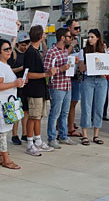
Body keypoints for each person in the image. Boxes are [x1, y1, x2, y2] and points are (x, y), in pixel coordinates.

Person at [0, 39, 25, 169]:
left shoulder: (4, 65)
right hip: (0, 104)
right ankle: (5, 159)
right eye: (6, 49)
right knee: (2, 132)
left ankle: (0, 157)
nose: (9, 51)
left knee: (2, 132)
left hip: (6, 102)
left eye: (10, 48)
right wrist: (14, 84)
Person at [23, 25, 56, 156]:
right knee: (33, 117)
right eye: (43, 34)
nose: (45, 35)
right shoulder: (31, 52)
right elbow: (29, 74)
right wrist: (46, 74)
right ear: (40, 35)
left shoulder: (37, 51)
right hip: (33, 90)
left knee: (39, 116)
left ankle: (38, 140)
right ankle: (30, 143)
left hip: (40, 89)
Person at [43, 27, 75, 148]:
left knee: (65, 112)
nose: (70, 39)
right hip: (57, 85)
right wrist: (60, 69)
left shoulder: (65, 51)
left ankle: (63, 136)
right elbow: (46, 69)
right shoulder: (51, 52)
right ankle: (51, 138)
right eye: (69, 37)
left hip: (67, 84)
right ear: (62, 38)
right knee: (55, 112)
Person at [76, 29, 107, 146]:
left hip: (101, 80)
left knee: (99, 107)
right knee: (86, 106)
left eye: (92, 37)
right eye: (89, 37)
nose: (90, 39)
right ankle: (84, 134)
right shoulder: (83, 51)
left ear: (98, 38)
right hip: (88, 79)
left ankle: (96, 134)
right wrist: (90, 60)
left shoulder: (104, 51)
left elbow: (108, 67)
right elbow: (81, 68)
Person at [8, 32, 30, 145]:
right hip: (16, 86)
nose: (25, 46)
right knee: (16, 110)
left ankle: (25, 133)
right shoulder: (14, 54)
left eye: (27, 44)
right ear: (18, 44)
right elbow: (8, 69)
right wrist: (21, 68)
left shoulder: (28, 54)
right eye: (23, 44)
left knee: (25, 111)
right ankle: (14, 134)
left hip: (26, 86)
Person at [65, 19, 83, 137]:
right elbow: (63, 55)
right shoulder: (66, 41)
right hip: (67, 77)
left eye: (78, 28)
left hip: (77, 76)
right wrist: (71, 45)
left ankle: (70, 126)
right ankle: (65, 128)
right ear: (69, 28)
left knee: (73, 102)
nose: (78, 30)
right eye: (75, 28)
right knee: (66, 104)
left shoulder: (78, 41)